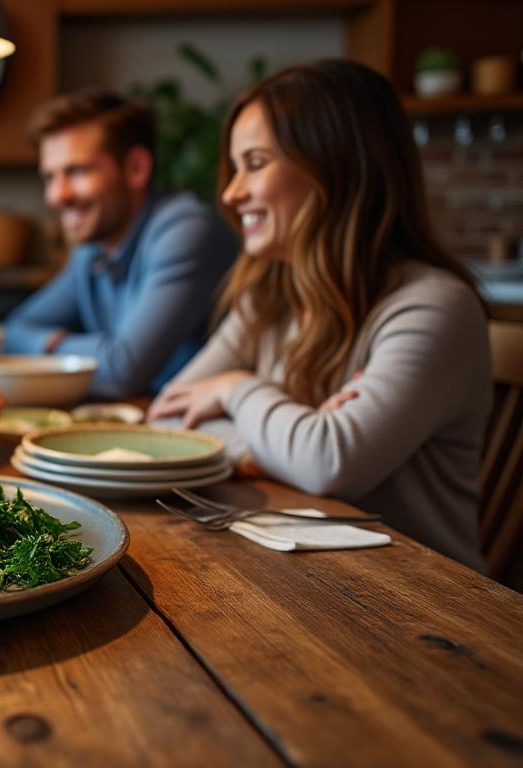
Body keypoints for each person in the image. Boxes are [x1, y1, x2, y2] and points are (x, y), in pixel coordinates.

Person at [147, 60, 490, 570]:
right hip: (304, 576)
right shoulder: (269, 300)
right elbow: (166, 420)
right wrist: (292, 436)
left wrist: (238, 391)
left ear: (336, 168)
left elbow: (328, 463)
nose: (231, 193)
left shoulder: (434, 307)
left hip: (423, 597)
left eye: (256, 163)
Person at [3, 90, 237, 399]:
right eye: (50, 177)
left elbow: (120, 373)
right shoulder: (92, 250)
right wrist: (72, 348)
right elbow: (14, 332)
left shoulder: (185, 231)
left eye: (77, 171)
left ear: (136, 168)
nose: (57, 196)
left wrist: (55, 347)